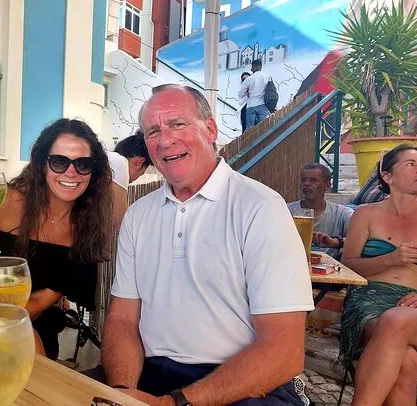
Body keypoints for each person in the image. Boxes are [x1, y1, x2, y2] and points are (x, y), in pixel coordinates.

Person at [93, 83, 314, 405]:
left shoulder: (260, 207)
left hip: (242, 382)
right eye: (153, 131)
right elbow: (122, 320)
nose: (165, 140)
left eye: (177, 124)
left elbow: (284, 350)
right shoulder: (139, 214)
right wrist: (124, 392)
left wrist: (173, 403)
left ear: (210, 129)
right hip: (149, 374)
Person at [0, 118, 113, 360]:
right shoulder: (4, 201)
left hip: (24, 333)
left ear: (93, 171)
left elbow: (37, 303)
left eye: (82, 164)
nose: (71, 172)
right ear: (42, 164)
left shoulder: (86, 231)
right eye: (59, 161)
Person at [340, 144, 417, 406]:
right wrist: (391, 259)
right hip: (368, 302)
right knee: (407, 361)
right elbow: (348, 266)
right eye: (411, 164)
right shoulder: (365, 214)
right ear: (387, 176)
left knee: (394, 321)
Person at [287, 163, 353, 261]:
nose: (306, 183)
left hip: (329, 267)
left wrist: (334, 242)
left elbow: (358, 240)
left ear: (327, 185)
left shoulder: (342, 213)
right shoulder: (286, 211)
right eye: (303, 180)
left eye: (313, 180)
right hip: (294, 263)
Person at [108, 132, 152, 231]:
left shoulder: (109, 160)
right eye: (141, 174)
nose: (133, 180)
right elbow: (122, 225)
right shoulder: (119, 163)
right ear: (139, 162)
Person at [238, 59, 271, 129]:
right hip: (262, 105)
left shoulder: (249, 79)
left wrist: (247, 93)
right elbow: (271, 91)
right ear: (261, 67)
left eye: (252, 67)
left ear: (254, 66)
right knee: (262, 129)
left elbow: (241, 94)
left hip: (251, 106)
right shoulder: (267, 77)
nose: (251, 69)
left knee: (249, 130)